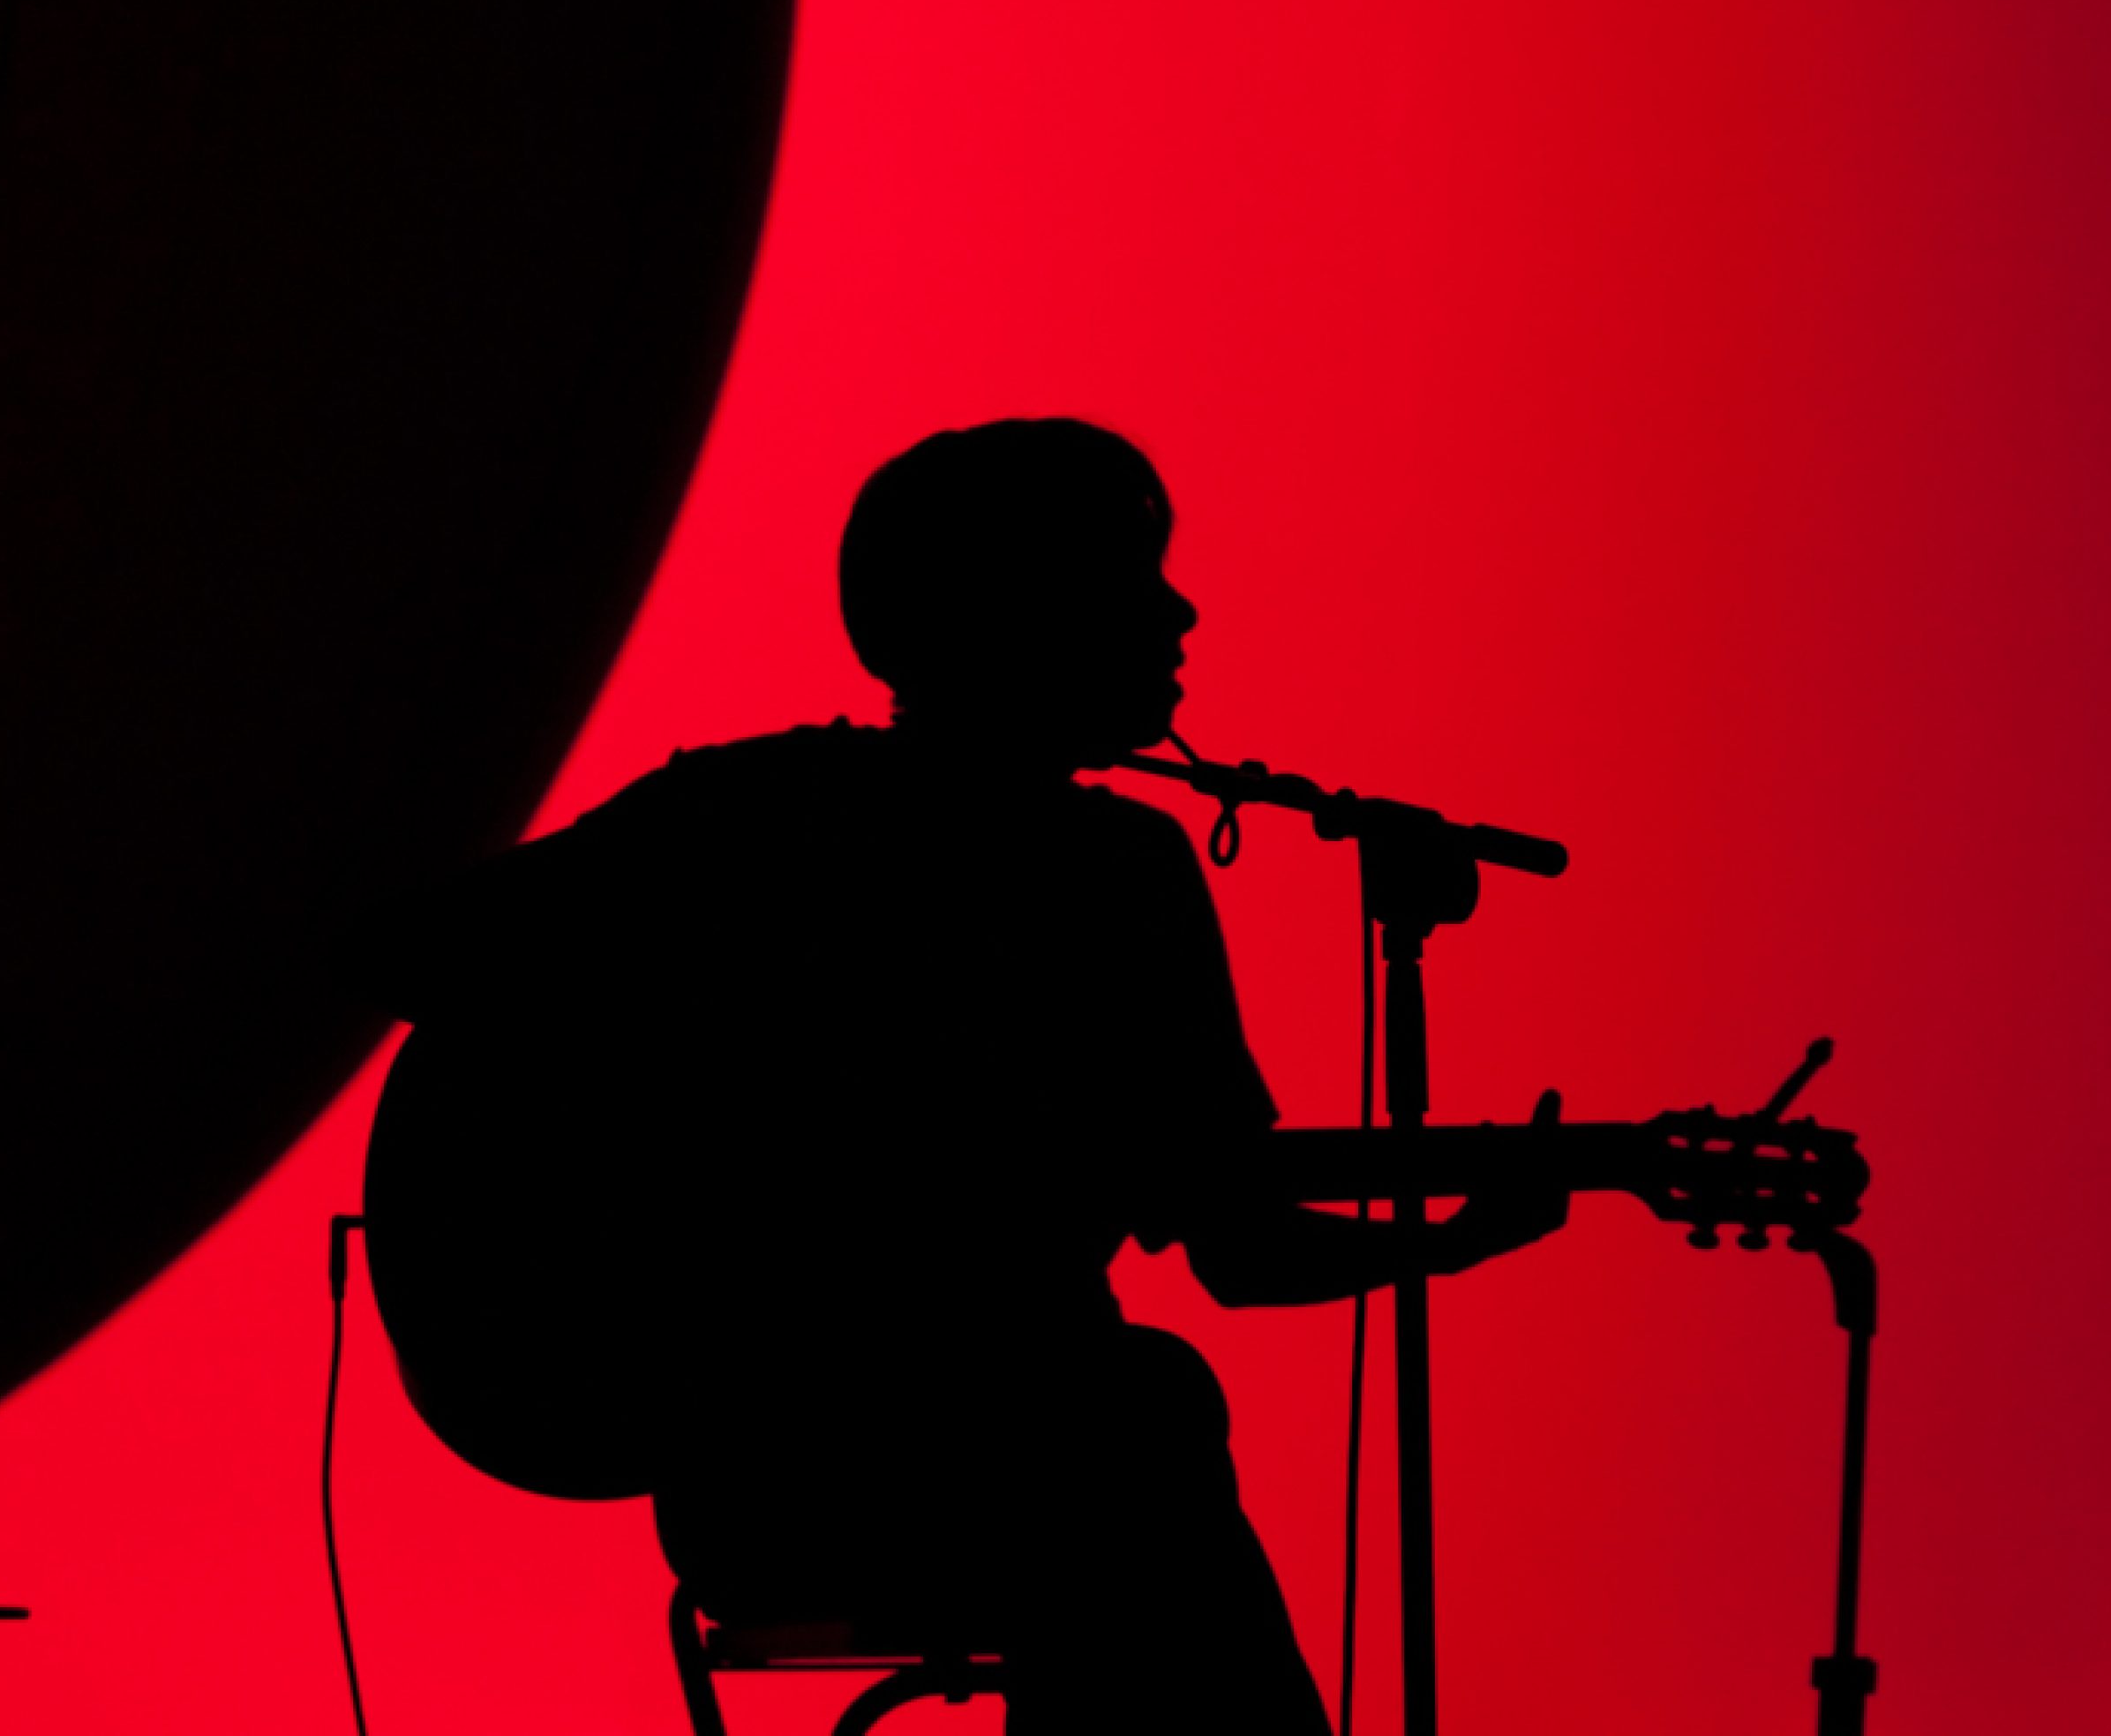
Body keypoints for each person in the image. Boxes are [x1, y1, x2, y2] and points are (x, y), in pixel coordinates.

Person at [374, 417, 1566, 1732]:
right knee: (1130, 1421)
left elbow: (1236, 1237)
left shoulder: (1114, 870)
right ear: (1016, 610)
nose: (1180, 610)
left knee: (1117, 1429)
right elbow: (416, 952)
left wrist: (1446, 1247)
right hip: (788, 1464)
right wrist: (686, 1143)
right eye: (1130, 574)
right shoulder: (760, 818)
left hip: (991, 1455)